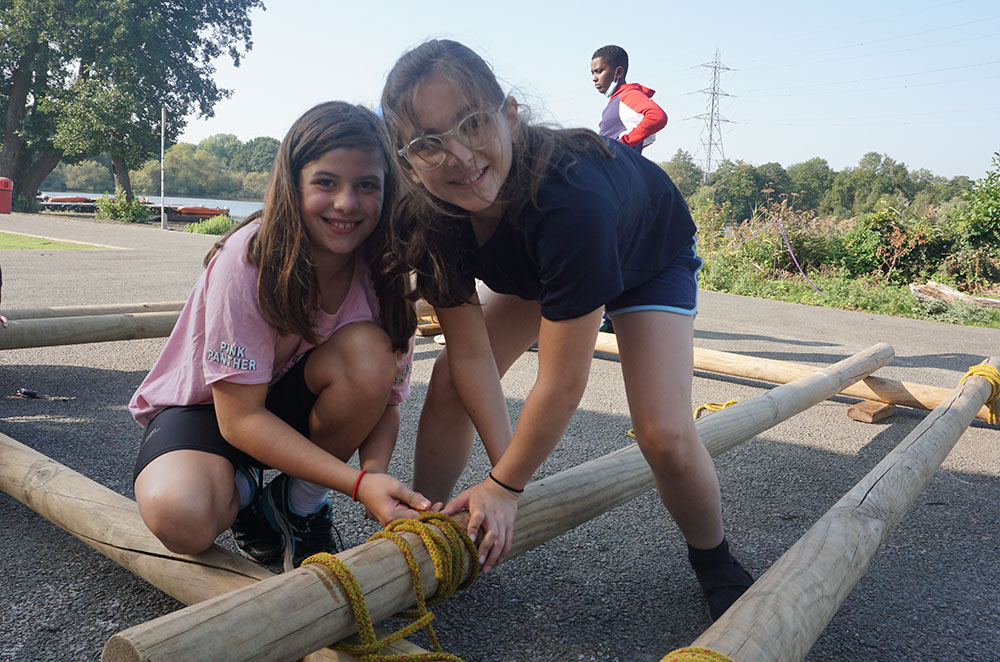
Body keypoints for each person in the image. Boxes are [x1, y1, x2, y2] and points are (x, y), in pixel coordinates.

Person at [380, 39, 752, 622]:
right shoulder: (431, 215)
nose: (458, 156)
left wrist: (504, 488)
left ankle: (716, 561)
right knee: (451, 379)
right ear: (408, 163)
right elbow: (473, 358)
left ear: (509, 116)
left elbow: (561, 383)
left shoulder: (569, 199)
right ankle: (429, 524)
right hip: (537, 260)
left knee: (662, 434)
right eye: (429, 145)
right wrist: (508, 475)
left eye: (472, 125)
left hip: (647, 253)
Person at [129, 101, 430, 570]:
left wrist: (375, 476)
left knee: (371, 354)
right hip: (212, 411)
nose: (347, 204)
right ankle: (246, 490)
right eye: (326, 182)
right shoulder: (247, 259)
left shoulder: (389, 272)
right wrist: (354, 484)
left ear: (388, 191)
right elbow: (239, 420)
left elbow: (386, 402)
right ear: (293, 183)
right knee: (180, 517)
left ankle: (295, 504)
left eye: (367, 185)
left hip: (291, 405)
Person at [591, 45, 667, 154]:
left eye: (599, 71)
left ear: (619, 72)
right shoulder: (616, 100)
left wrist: (623, 143)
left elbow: (657, 116)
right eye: (592, 73)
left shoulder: (628, 95)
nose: (594, 78)